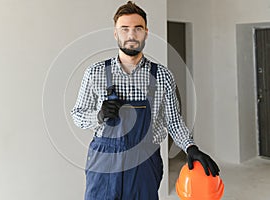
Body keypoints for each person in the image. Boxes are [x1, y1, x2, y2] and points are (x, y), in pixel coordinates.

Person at [71, 1, 220, 200]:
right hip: (104, 161)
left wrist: (190, 147)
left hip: (144, 161)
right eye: (124, 29)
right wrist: (98, 115)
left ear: (146, 33)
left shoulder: (162, 76)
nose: (131, 35)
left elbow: (173, 121)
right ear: (116, 33)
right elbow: (78, 114)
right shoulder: (95, 73)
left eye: (137, 29)